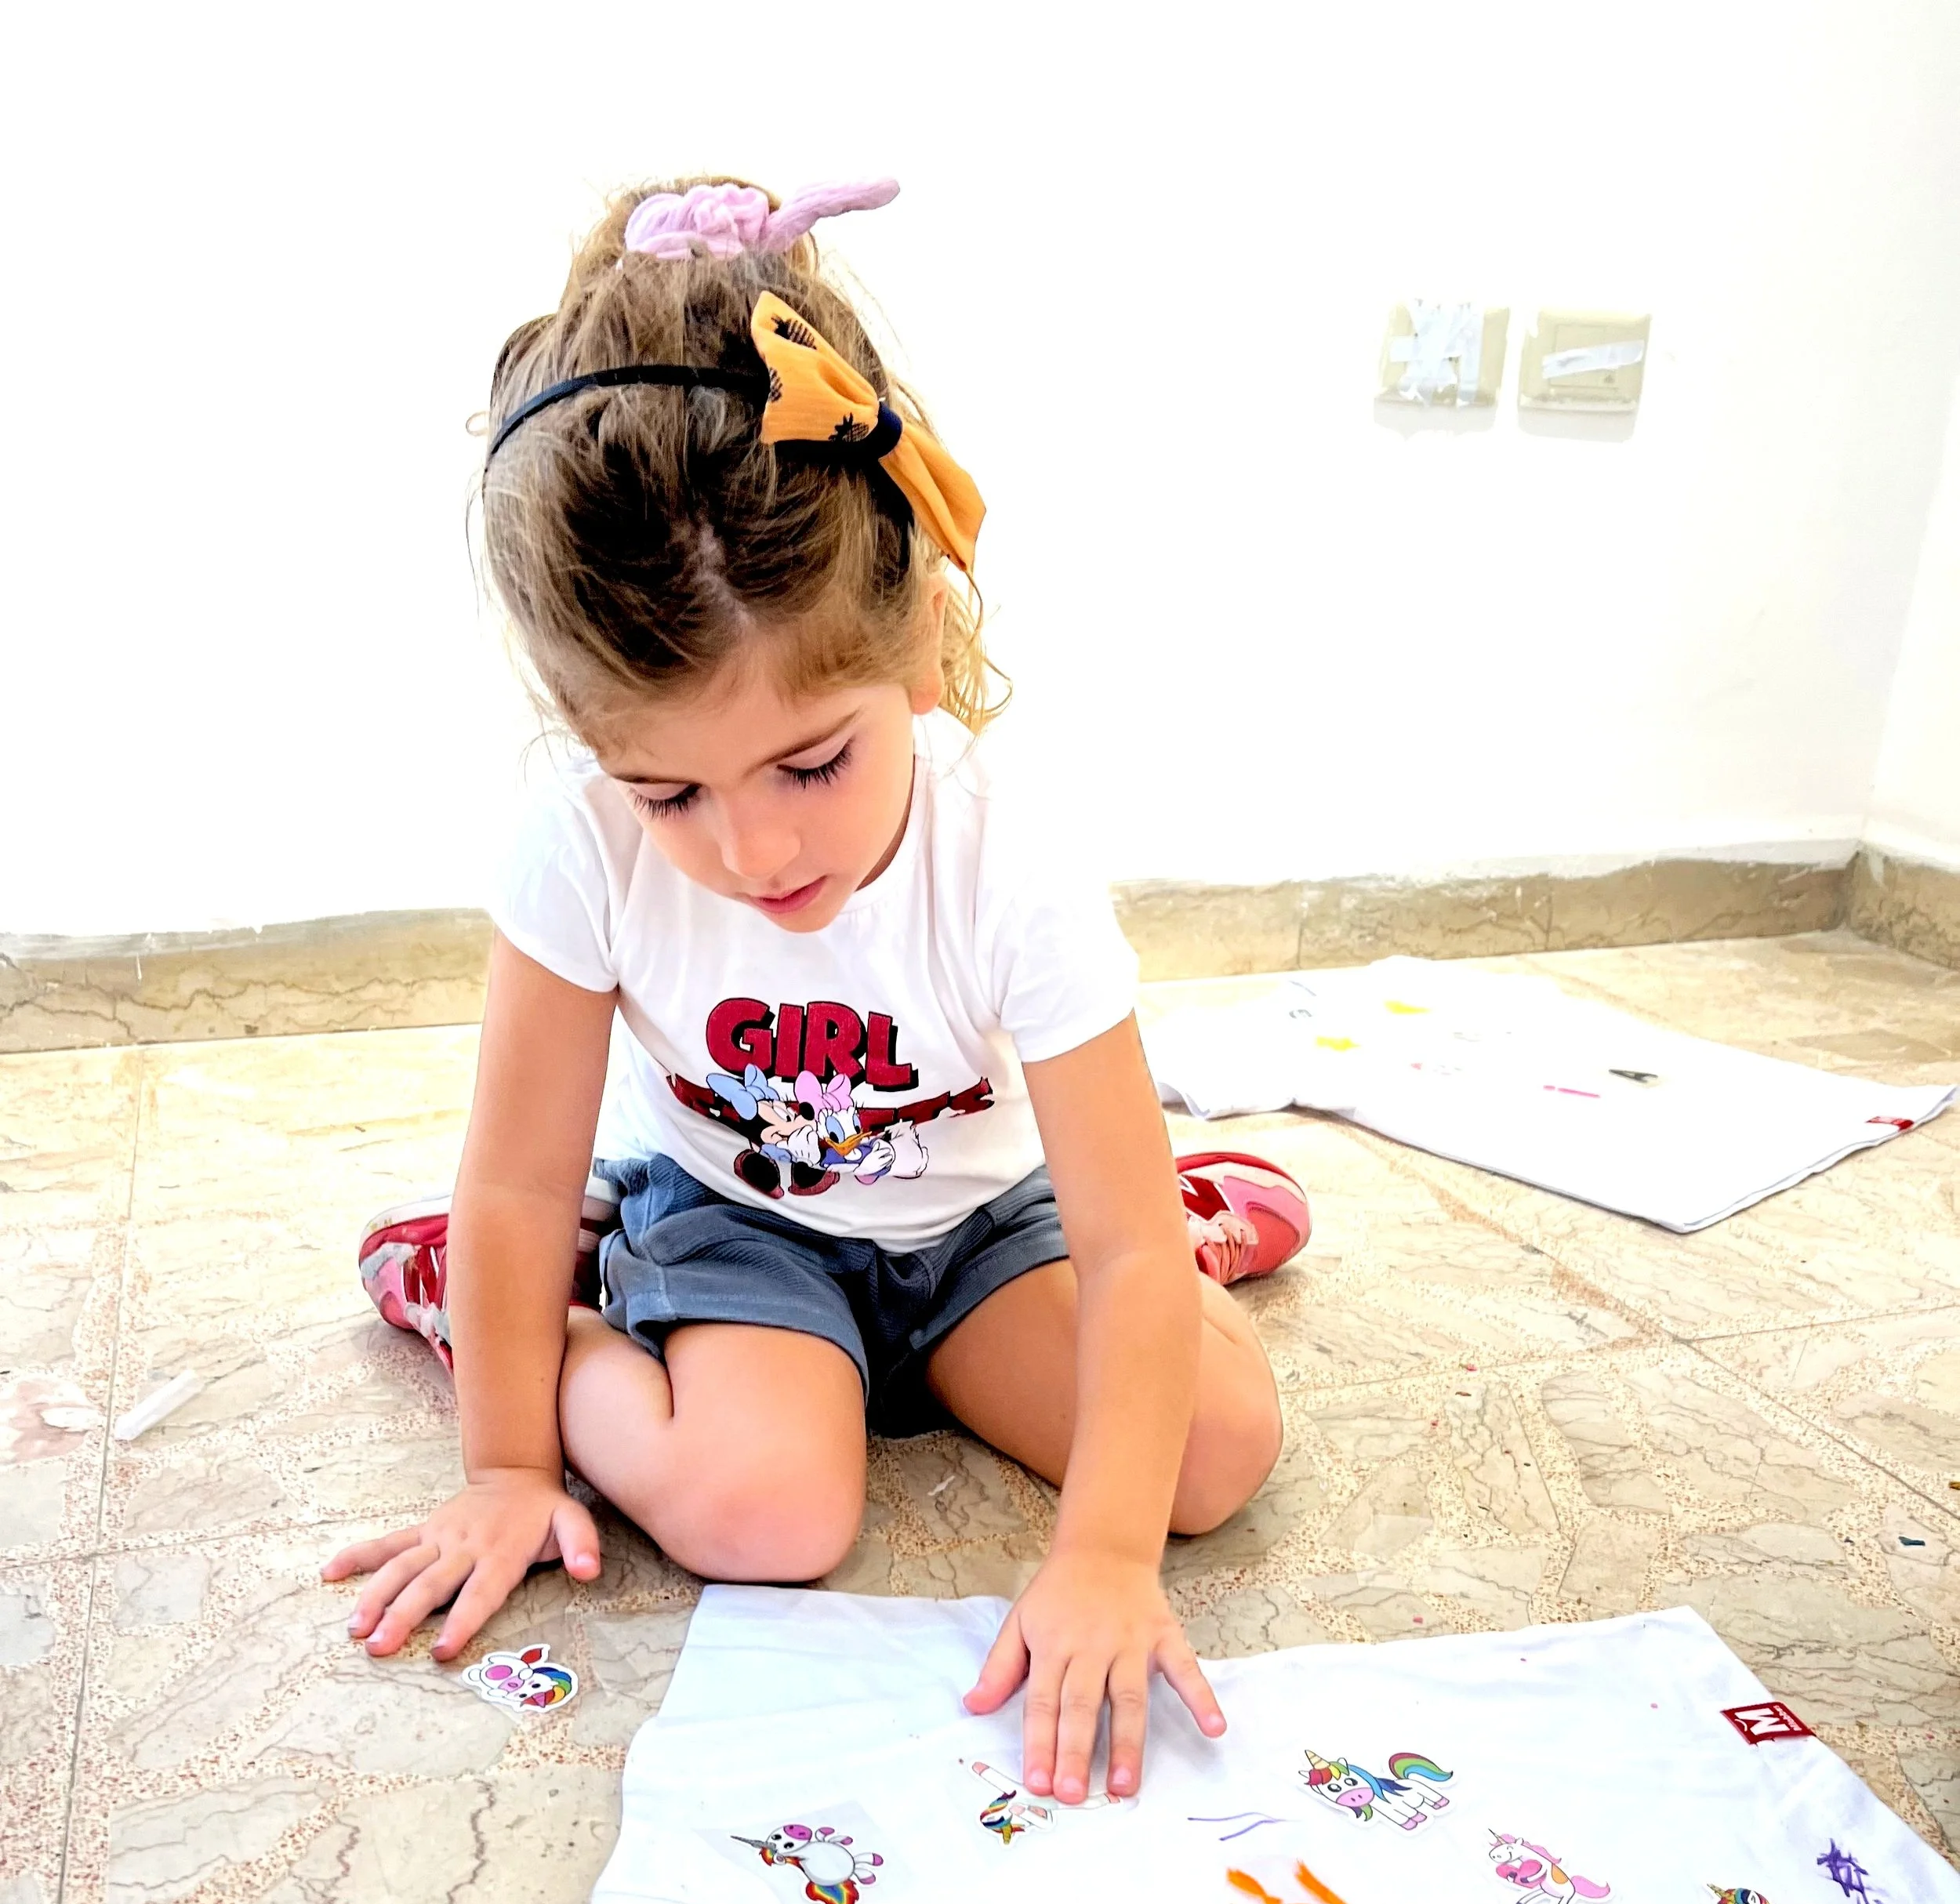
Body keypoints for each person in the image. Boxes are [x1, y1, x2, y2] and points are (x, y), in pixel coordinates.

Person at [325, 174, 1309, 1807]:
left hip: (982, 1231)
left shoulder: (1007, 855)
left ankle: (1184, 1209)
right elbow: (514, 1178)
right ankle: (491, 1309)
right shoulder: (578, 844)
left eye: (809, 763)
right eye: (670, 793)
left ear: (918, 639)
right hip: (741, 1221)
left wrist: (1101, 1558)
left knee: (1207, 1454)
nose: (753, 849)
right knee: (766, 1511)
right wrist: (506, 1461)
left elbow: (1118, 1247)